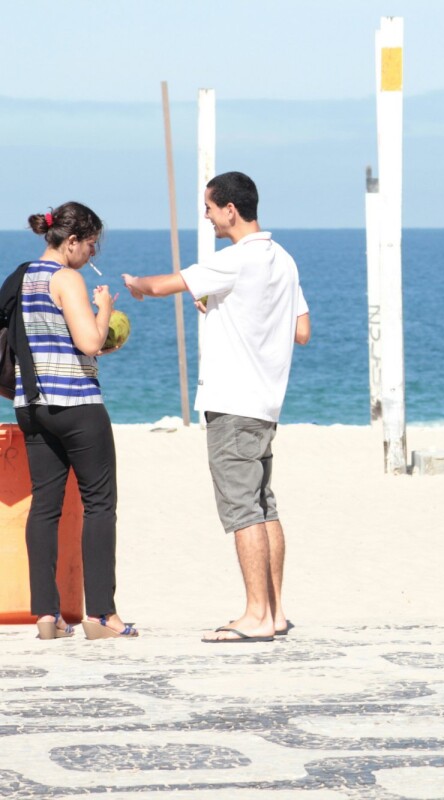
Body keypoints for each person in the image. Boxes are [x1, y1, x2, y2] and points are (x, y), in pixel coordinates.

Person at [122, 171, 310, 644]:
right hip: (266, 402)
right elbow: (300, 330)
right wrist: (231, 312)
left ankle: (256, 616)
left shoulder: (236, 260)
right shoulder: (283, 261)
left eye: (208, 208)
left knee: (241, 510)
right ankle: (277, 611)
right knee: (265, 505)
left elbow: (165, 285)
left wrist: (135, 283)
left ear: (230, 208)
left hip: (232, 402)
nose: (206, 217)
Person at [10, 202, 136, 640]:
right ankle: (102, 616)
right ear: (72, 242)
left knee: (45, 508)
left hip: (31, 405)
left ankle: (46, 616)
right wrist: (103, 309)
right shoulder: (68, 278)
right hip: (77, 404)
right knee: (99, 504)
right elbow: (88, 341)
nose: (92, 254)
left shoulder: (22, 277)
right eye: (91, 245)